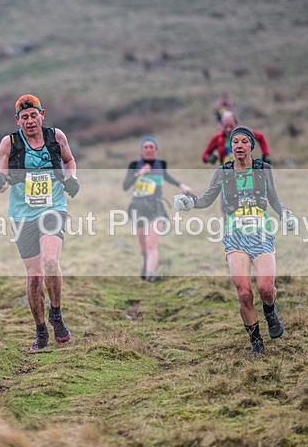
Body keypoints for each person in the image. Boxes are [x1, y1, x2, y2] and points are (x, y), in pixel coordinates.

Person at [174, 126, 297, 356]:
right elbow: (205, 199)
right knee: (244, 293)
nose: (239, 146)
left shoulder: (263, 169)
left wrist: (286, 214)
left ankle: (270, 311)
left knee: (265, 288)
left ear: (251, 146)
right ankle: (256, 343)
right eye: (235, 142)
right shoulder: (223, 172)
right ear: (231, 147)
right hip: (235, 235)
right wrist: (188, 202)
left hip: (262, 234)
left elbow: (274, 198)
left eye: (244, 142)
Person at [0, 94, 80, 351]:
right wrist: (0, 180)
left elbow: (70, 160)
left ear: (42, 115)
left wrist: (72, 178)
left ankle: (57, 314)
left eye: (34, 116)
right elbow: (2, 170)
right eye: (25, 118)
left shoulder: (56, 137)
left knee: (51, 260)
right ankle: (41, 331)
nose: (30, 121)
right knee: (34, 278)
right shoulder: (9, 143)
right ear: (18, 120)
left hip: (53, 208)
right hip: (22, 214)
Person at [123, 136, 192, 282]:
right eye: (145, 147)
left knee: (151, 244)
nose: (148, 150)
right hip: (138, 207)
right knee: (143, 247)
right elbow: (125, 186)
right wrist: (138, 174)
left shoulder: (161, 164)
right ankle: (146, 262)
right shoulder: (134, 165)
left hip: (156, 207)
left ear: (156, 149)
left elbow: (166, 176)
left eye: (151, 147)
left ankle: (149, 275)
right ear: (141, 150)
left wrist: (181, 185)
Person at [203, 112, 271, 165]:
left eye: (231, 126)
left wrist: (266, 154)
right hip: (226, 174)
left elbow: (261, 137)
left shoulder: (245, 133)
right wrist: (209, 158)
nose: (228, 129)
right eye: (225, 127)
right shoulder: (218, 138)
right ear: (222, 125)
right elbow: (205, 156)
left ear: (236, 123)